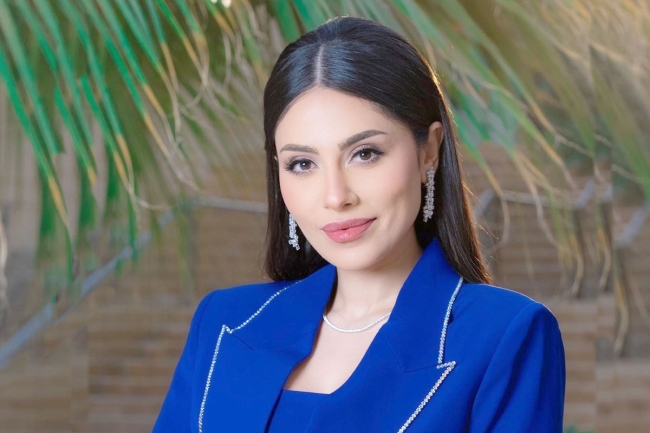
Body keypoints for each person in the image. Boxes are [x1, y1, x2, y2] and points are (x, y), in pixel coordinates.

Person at [153, 16, 565, 433]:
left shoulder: (504, 335)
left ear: (429, 151)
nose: (336, 196)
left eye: (365, 154)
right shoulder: (222, 323)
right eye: (302, 164)